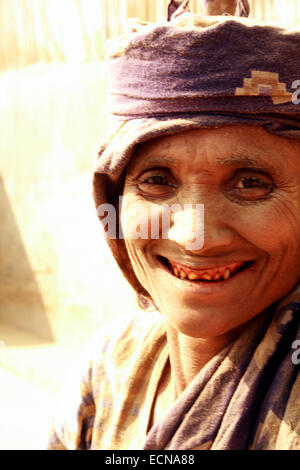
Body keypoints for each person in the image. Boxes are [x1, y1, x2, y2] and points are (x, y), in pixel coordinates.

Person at [47, 0, 300, 450]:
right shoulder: (111, 366)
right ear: (114, 199)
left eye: (250, 183)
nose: (194, 238)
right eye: (157, 181)